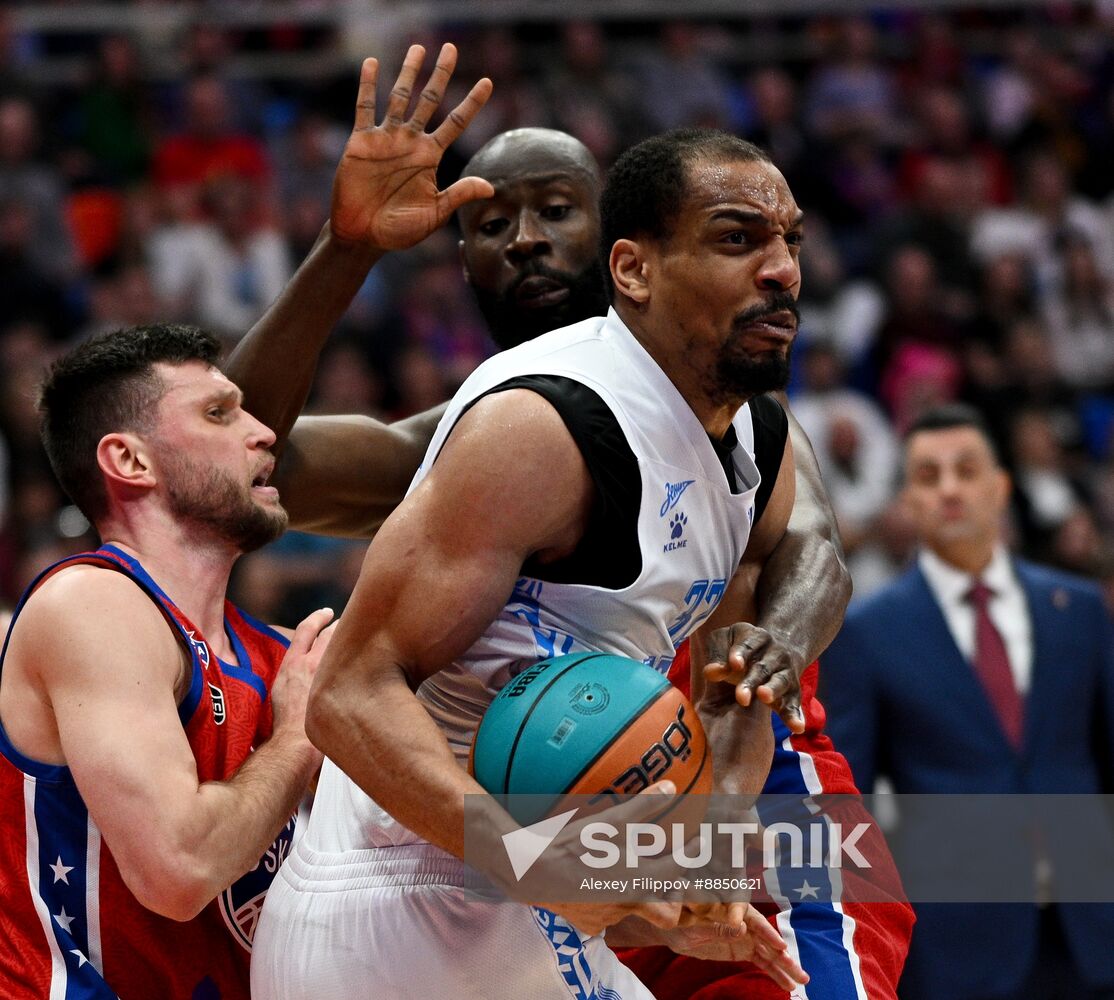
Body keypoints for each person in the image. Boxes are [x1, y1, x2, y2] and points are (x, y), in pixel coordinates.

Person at [226, 46, 911, 998]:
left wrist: (687, 873)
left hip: (595, 844)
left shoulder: (743, 423)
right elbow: (244, 466)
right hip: (419, 877)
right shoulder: (524, 429)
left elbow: (798, 584)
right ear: (636, 266)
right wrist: (349, 248)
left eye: (555, 210)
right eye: (492, 220)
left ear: (608, 242)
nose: (527, 240)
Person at [0, 323, 333, 998]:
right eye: (219, 414)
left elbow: (441, 835)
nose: (266, 432)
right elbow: (177, 869)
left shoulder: (283, 657)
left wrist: (603, 871)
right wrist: (299, 740)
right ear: (130, 462)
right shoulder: (92, 603)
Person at [822, 403, 1114, 1000]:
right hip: (957, 946)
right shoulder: (868, 632)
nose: (950, 489)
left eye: (967, 470)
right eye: (929, 476)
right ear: (907, 500)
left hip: (1093, 927)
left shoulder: (1080, 608)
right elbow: (848, 806)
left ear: (1001, 487)